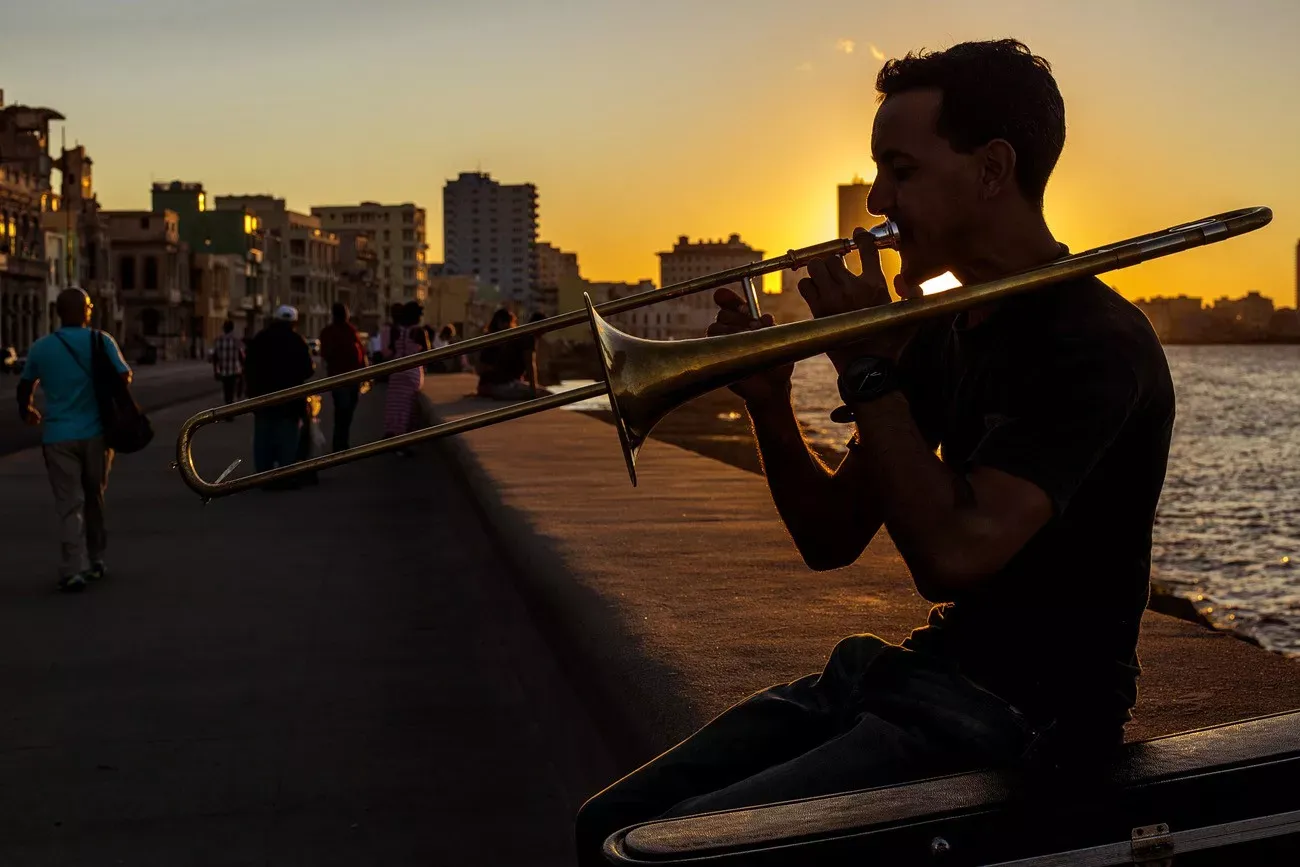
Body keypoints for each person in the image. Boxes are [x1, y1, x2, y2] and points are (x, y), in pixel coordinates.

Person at [574, 39, 1176, 861]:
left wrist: (867, 371)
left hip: (1029, 716)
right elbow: (830, 536)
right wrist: (770, 405)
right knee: (604, 824)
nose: (878, 202)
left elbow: (955, 555)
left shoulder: (1094, 344)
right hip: (913, 677)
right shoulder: (942, 326)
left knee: (672, 854)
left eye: (901, 170)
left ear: (993, 169)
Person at [16, 287, 132, 592]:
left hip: (57, 436)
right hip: (95, 434)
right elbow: (124, 376)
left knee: (69, 503)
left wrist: (27, 409)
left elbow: (25, 385)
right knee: (94, 497)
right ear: (86, 311)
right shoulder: (101, 340)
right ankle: (96, 560)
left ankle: (72, 568)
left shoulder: (42, 347)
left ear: (57, 313)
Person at [244, 305, 315, 488]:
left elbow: (248, 368)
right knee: (287, 439)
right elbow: (308, 369)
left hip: (262, 400)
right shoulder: (297, 340)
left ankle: (264, 477)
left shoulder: (260, 339)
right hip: (289, 401)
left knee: (263, 437)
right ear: (294, 323)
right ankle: (285, 475)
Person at [318, 302, 368, 451]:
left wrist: (366, 372)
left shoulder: (351, 330)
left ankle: (342, 441)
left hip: (354, 378)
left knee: (347, 411)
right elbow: (326, 354)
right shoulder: (329, 332)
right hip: (339, 378)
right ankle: (339, 444)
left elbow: (361, 352)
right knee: (342, 411)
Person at [382, 300, 429, 455]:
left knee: (396, 407)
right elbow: (427, 354)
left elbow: (390, 350)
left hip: (396, 372)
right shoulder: (419, 332)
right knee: (408, 408)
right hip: (412, 373)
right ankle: (403, 442)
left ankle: (393, 436)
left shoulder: (397, 331)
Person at [475, 308, 551, 400]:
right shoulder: (529, 337)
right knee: (546, 395)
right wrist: (533, 389)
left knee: (541, 392)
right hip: (501, 386)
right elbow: (530, 364)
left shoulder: (519, 336)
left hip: (491, 385)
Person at [210, 320, 244, 411]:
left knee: (226, 390)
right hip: (234, 370)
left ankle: (227, 407)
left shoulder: (218, 340)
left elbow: (215, 357)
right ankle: (230, 408)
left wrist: (215, 370)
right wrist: (242, 368)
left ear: (224, 329)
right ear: (232, 329)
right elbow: (241, 356)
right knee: (232, 389)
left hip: (223, 370)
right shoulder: (236, 340)